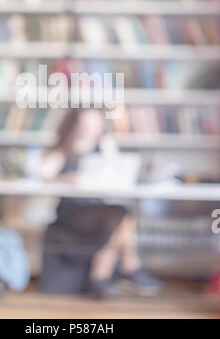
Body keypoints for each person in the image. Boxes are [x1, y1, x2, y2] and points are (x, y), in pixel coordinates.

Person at [40, 108, 162, 297]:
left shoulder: (102, 146)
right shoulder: (65, 149)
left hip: (98, 211)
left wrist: (107, 147)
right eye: (85, 125)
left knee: (119, 217)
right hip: (72, 213)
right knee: (120, 215)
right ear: (75, 125)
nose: (90, 130)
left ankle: (102, 277)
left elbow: (118, 172)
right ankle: (125, 268)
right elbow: (43, 175)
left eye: (95, 125)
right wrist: (64, 179)